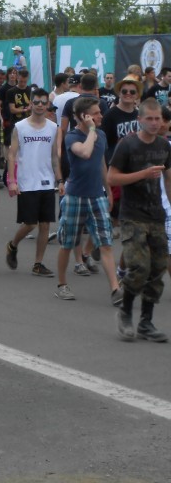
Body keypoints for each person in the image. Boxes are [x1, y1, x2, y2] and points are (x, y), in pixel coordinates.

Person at [107, 97, 171, 342]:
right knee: (139, 267)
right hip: (132, 215)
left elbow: (168, 179)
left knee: (157, 269)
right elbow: (112, 178)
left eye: (158, 119)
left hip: (156, 215)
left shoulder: (164, 146)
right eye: (150, 119)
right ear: (140, 119)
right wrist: (143, 174)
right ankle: (125, 313)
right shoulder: (128, 145)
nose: (155, 123)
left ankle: (146, 321)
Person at [54, 97, 121, 305]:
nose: (101, 116)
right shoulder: (72, 137)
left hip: (97, 197)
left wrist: (108, 190)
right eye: (96, 113)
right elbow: (84, 153)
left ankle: (115, 289)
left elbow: (100, 163)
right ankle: (62, 284)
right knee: (68, 243)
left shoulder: (100, 134)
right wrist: (91, 130)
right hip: (75, 197)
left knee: (106, 243)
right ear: (85, 116)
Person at [4, 88, 59, 278]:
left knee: (45, 224)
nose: (40, 105)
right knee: (30, 224)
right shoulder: (20, 127)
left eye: (44, 102)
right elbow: (12, 155)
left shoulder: (53, 127)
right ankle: (12, 245)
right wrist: (12, 181)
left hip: (46, 182)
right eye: (37, 102)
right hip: (27, 182)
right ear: (31, 104)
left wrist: (59, 179)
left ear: (48, 105)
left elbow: (55, 156)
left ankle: (38, 263)